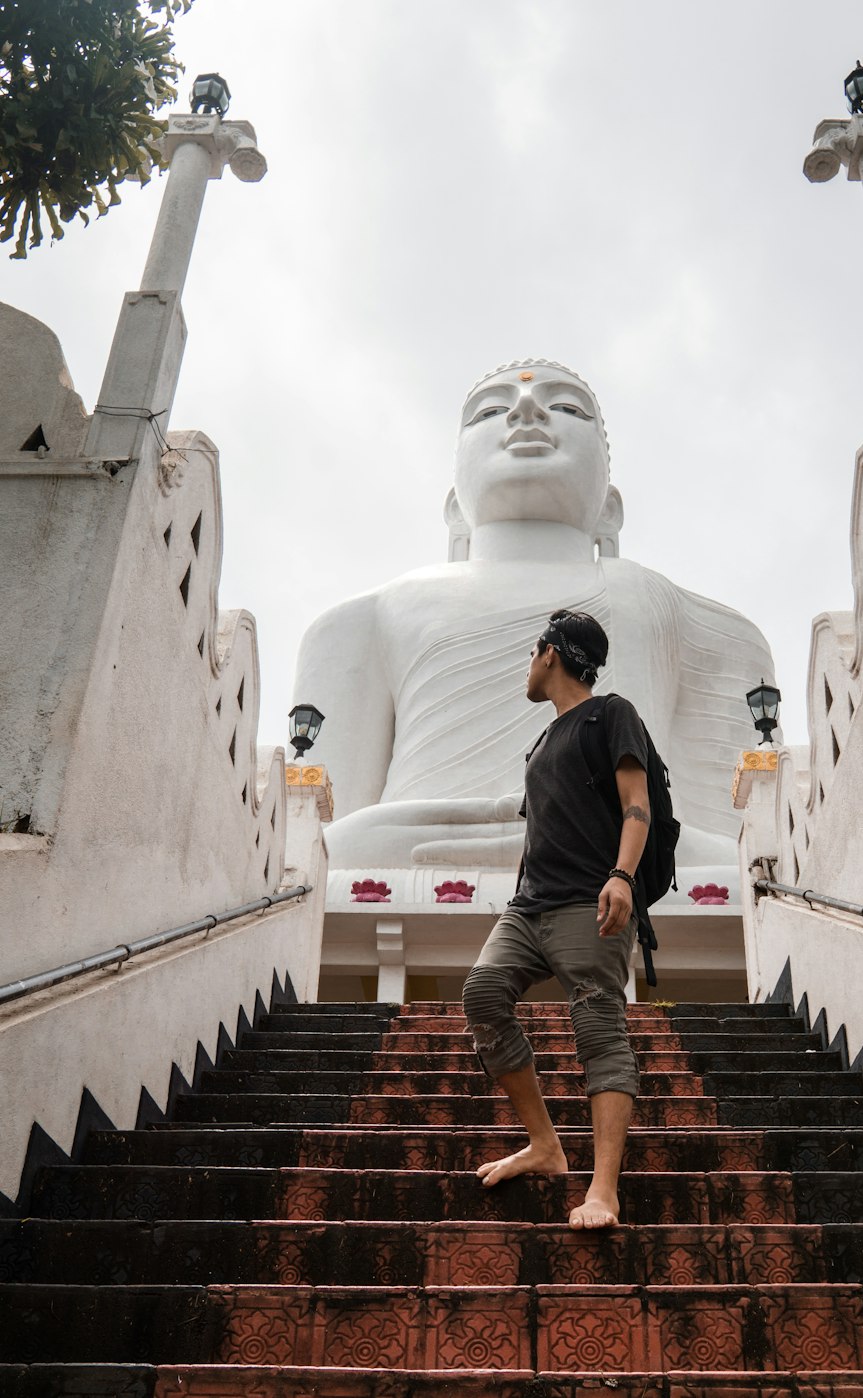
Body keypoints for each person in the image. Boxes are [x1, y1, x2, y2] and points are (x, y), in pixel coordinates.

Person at [292, 359, 775, 880]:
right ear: (456, 509)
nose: (526, 410)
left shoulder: (684, 615)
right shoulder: (364, 619)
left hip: (617, 856)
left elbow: (740, 835)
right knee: (337, 846)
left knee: (737, 864)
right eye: (491, 411)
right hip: (410, 849)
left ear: (609, 510)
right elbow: (316, 829)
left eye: (566, 407)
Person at [460, 608, 649, 1229]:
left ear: (548, 655)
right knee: (484, 991)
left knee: (598, 1023)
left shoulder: (610, 713)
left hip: (586, 901)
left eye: (530, 654)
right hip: (530, 904)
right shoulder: (542, 741)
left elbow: (636, 805)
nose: (528, 666)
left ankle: (602, 1190)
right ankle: (545, 1146)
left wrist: (621, 876)